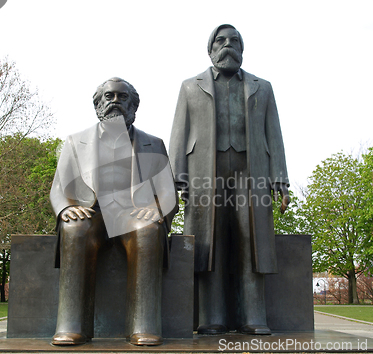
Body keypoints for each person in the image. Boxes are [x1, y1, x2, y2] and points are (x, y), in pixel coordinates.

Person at [169, 24, 290, 335]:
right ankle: (212, 318)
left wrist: (281, 182)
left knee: (252, 241)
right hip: (203, 174)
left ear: (242, 49)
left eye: (234, 40)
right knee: (211, 243)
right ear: (210, 49)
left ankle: (254, 317)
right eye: (221, 40)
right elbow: (179, 135)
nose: (228, 45)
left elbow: (273, 134)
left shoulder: (262, 87)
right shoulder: (189, 86)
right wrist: (175, 180)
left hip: (252, 172)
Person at [50, 77, 177, 346]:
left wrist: (157, 210)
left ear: (134, 106)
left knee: (148, 230)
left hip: (133, 214)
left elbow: (168, 192)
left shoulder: (153, 144)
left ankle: (143, 326)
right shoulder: (75, 142)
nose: (115, 102)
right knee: (74, 228)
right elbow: (59, 188)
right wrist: (65, 209)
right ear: (98, 104)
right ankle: (72, 326)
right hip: (91, 213)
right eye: (109, 97)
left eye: (122, 97)